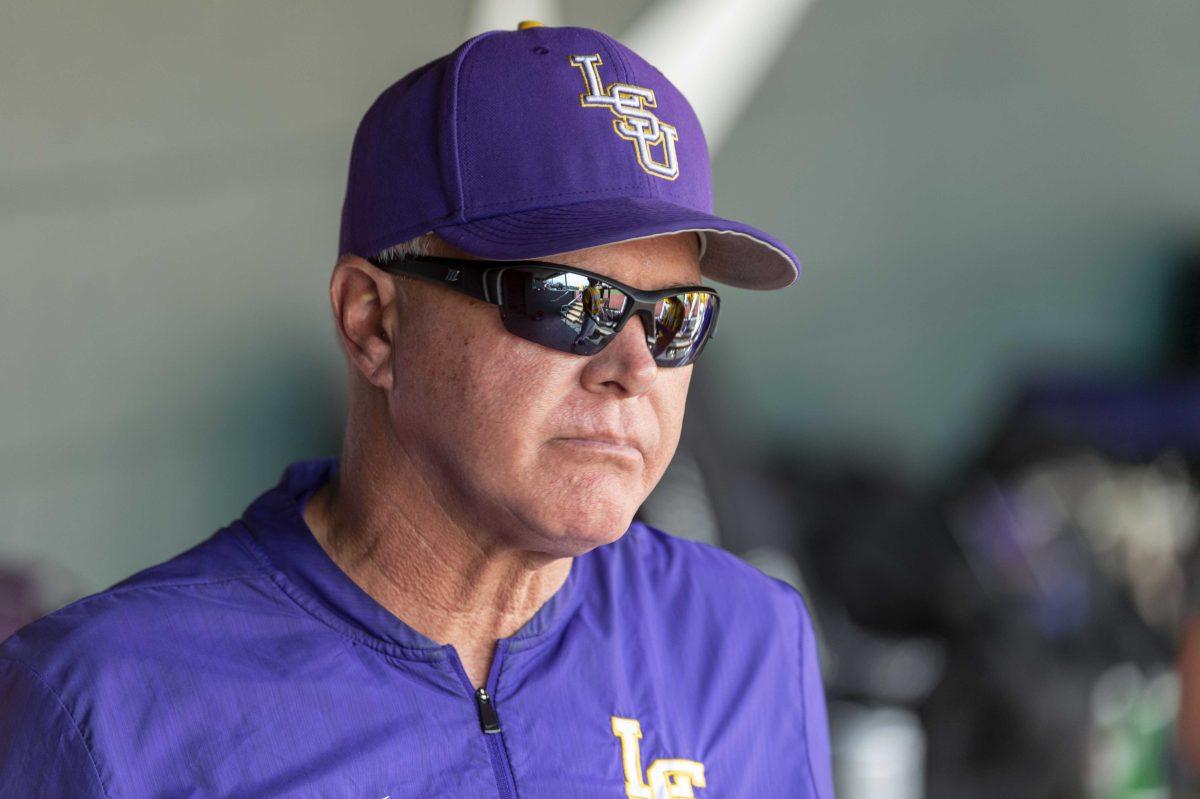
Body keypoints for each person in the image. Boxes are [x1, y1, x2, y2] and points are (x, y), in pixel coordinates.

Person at [0, 21, 834, 798]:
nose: (635, 364)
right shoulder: (107, 711)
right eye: (565, 299)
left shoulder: (741, 640)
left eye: (676, 316)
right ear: (374, 322)